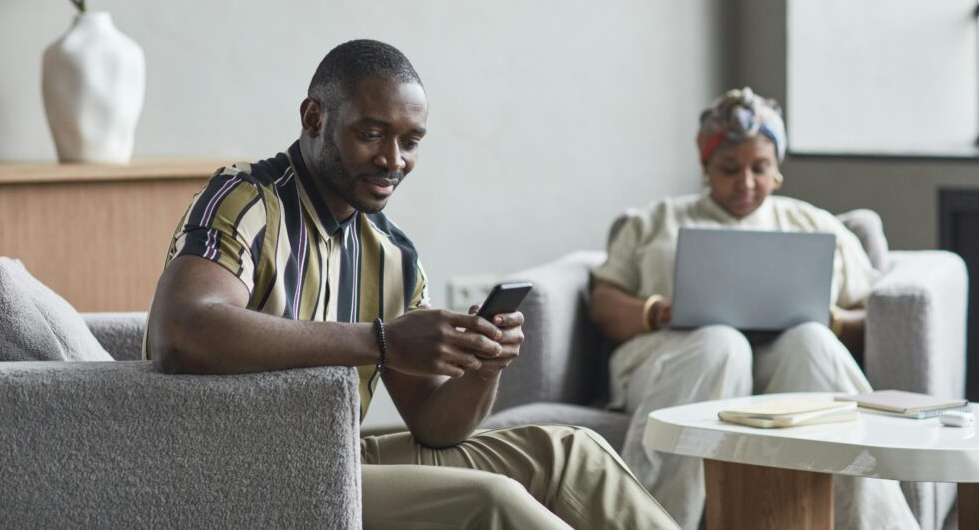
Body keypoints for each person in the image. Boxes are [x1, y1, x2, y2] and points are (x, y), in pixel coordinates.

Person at [143, 39, 678, 530]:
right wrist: (383, 341)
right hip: (231, 477)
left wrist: (483, 368)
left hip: (332, 455)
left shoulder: (392, 255)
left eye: (410, 141)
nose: (393, 160)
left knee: (571, 455)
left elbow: (434, 425)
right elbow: (183, 331)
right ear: (314, 117)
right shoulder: (246, 198)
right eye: (371, 134)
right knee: (492, 501)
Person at [589, 88, 919, 530]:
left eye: (759, 168)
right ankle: (646, 523)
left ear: (777, 168)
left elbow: (871, 316)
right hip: (678, 359)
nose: (745, 182)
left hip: (785, 369)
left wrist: (832, 320)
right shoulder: (656, 220)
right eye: (729, 169)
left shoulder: (814, 225)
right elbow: (604, 303)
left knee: (813, 341)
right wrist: (660, 312)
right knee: (720, 344)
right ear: (706, 167)